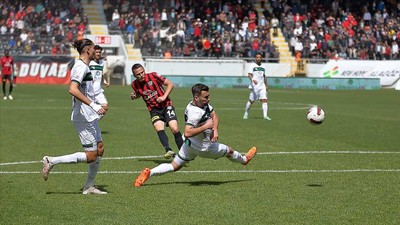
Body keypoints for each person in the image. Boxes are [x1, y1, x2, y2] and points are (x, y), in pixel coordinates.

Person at [134, 83, 257, 187]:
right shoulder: (195, 113)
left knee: (174, 166)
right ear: (197, 98)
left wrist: (215, 130)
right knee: (229, 151)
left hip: (189, 145)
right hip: (204, 148)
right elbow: (187, 132)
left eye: (208, 96)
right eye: (205, 97)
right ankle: (245, 160)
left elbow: (214, 115)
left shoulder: (200, 104)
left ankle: (149, 173)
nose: (208, 99)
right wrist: (206, 126)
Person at [41, 38, 108, 195]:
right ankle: (51, 161)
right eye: (93, 48)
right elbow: (73, 89)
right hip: (82, 115)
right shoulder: (80, 67)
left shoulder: (86, 66)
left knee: (100, 149)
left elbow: (87, 90)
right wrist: (93, 105)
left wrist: (97, 103)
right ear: (87, 50)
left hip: (89, 115)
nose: (95, 51)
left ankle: (89, 186)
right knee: (91, 156)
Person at [130, 63, 183, 159]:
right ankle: (168, 149)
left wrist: (164, 97)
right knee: (159, 128)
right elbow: (140, 94)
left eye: (142, 72)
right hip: (154, 110)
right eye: (138, 74)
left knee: (174, 128)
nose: (141, 75)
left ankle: (184, 153)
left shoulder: (153, 76)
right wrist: (135, 96)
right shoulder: (134, 84)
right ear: (134, 76)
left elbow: (170, 84)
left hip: (166, 105)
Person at [243, 52, 271, 120]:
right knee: (251, 101)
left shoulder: (263, 66)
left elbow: (264, 76)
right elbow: (249, 75)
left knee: (264, 100)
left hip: (262, 87)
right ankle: (246, 113)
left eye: (260, 57)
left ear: (261, 58)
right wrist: (253, 80)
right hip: (254, 86)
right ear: (255, 58)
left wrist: (266, 85)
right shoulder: (252, 65)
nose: (258, 58)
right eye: (257, 57)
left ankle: (265, 116)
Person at [89, 45, 110, 116]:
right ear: (93, 53)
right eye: (96, 52)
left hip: (98, 91)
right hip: (90, 92)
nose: (98, 53)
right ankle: (90, 122)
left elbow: (100, 74)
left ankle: (93, 121)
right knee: (90, 110)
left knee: (105, 107)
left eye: (99, 52)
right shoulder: (89, 63)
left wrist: (104, 81)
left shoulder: (101, 63)